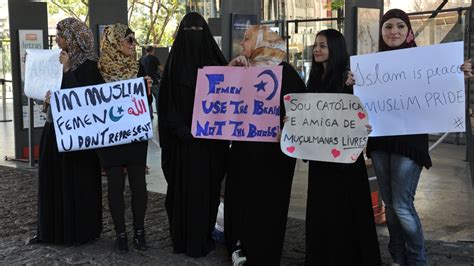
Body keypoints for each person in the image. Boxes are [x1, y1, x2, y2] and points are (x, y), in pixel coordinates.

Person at [366, 9, 472, 266]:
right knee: (390, 207)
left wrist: (459, 73)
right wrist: (352, 82)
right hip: (380, 142)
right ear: (381, 31)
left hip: (408, 144)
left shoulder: (428, 61)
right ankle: (399, 258)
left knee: (402, 206)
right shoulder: (370, 64)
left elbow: (443, 83)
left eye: (400, 26)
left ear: (409, 30)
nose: (394, 31)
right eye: (388, 26)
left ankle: (417, 260)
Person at [224, 25, 306, 265]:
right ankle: (239, 245)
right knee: (241, 199)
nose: (242, 43)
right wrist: (231, 71)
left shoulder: (286, 74)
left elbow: (301, 110)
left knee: (269, 203)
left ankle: (264, 250)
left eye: (247, 39)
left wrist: (290, 121)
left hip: (274, 157)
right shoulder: (240, 70)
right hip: (243, 152)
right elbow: (220, 102)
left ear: (263, 43)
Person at [304, 29, 381, 265]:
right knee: (322, 209)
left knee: (346, 209)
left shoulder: (351, 78)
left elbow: (361, 112)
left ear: (335, 49)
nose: (316, 49)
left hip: (345, 159)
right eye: (316, 45)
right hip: (320, 157)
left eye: (323, 45)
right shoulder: (314, 79)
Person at [158, 12, 229, 258]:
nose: (194, 37)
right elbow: (165, 103)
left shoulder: (218, 64)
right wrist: (178, 128)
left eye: (198, 31)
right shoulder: (174, 66)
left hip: (209, 146)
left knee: (206, 193)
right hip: (182, 147)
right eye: (189, 31)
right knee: (181, 193)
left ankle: (203, 236)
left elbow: (230, 98)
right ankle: (182, 238)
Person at [35, 18, 102, 245]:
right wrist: (46, 98)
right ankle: (52, 230)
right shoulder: (58, 60)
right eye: (57, 35)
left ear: (74, 39)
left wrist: (66, 70)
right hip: (54, 129)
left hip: (78, 138)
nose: (57, 40)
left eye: (61, 36)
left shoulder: (90, 65)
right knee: (52, 180)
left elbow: (86, 100)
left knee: (76, 183)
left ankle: (78, 231)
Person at [97, 23, 151, 253]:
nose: (133, 44)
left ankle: (139, 231)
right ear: (114, 42)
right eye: (129, 39)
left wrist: (147, 94)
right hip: (110, 137)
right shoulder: (97, 70)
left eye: (134, 39)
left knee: (140, 187)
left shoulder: (136, 67)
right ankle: (121, 233)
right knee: (115, 186)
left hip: (134, 135)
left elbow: (144, 106)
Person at [140, 45, 163, 118]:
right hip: (154, 82)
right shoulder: (154, 58)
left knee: (147, 99)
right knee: (158, 97)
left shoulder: (141, 59)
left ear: (145, 51)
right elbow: (161, 68)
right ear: (152, 51)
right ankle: (159, 114)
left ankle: (149, 115)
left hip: (145, 82)